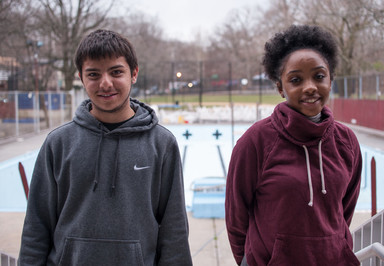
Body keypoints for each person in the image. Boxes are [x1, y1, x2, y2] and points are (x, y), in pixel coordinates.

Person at [18, 29, 192, 265]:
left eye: (116, 72)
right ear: (81, 78)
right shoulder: (58, 143)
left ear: (134, 74)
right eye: (93, 74)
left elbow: (174, 230)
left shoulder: (161, 144)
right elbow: (36, 227)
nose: (105, 83)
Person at [225, 25, 362, 266]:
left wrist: (333, 245)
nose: (310, 87)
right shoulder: (255, 142)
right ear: (280, 87)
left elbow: (344, 210)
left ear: (331, 81)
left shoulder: (346, 141)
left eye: (319, 76)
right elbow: (236, 217)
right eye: (296, 80)